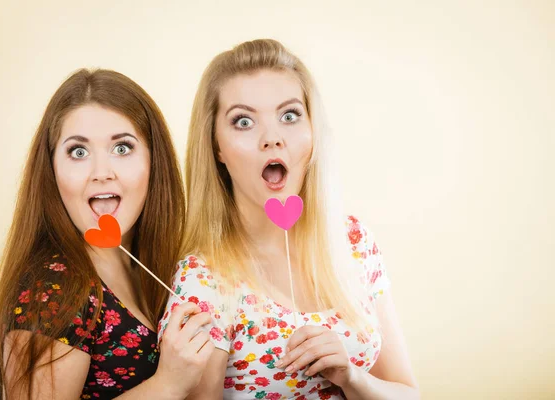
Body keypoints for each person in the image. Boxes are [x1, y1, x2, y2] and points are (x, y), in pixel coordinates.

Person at [158, 39, 419, 399]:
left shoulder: (353, 241)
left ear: (313, 131)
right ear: (216, 147)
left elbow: (409, 393)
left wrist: (352, 377)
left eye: (290, 115)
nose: (273, 138)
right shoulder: (204, 280)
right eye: (244, 121)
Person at [0, 69, 214, 400]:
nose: (101, 173)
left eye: (122, 148)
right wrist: (168, 383)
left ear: (154, 162)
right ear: (52, 172)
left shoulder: (148, 271)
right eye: (78, 152)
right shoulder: (52, 291)